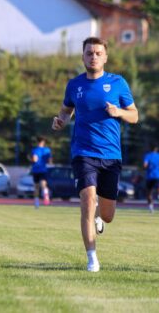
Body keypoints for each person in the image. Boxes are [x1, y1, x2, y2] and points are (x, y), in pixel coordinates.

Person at [51, 37, 138, 272]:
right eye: (89, 53)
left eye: (98, 53)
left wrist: (118, 111)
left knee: (108, 215)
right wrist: (61, 121)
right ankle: (92, 258)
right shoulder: (74, 85)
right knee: (87, 200)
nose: (94, 57)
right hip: (83, 152)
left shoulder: (118, 83)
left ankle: (100, 215)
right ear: (83, 57)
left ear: (105, 57)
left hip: (111, 155)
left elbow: (135, 115)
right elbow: (66, 110)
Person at [29, 136, 52, 208]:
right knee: (43, 184)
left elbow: (35, 160)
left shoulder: (34, 150)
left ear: (37, 142)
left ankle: (36, 203)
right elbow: (50, 161)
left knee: (36, 187)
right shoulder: (47, 150)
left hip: (35, 170)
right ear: (43, 142)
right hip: (43, 169)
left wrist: (30, 159)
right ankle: (46, 195)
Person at [143, 145, 159, 213]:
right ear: (157, 149)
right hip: (157, 175)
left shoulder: (147, 155)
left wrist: (145, 169)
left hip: (149, 176)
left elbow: (145, 165)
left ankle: (151, 208)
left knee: (149, 192)